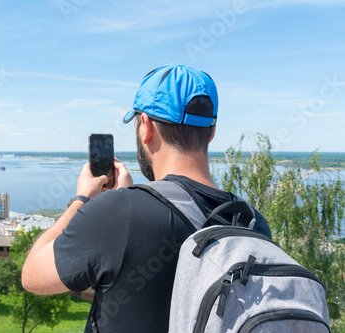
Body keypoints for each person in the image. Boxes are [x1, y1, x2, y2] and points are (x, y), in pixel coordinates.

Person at [22, 64, 272, 332]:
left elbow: (32, 275)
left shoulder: (119, 214)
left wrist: (81, 200)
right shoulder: (252, 224)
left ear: (146, 126)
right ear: (211, 131)